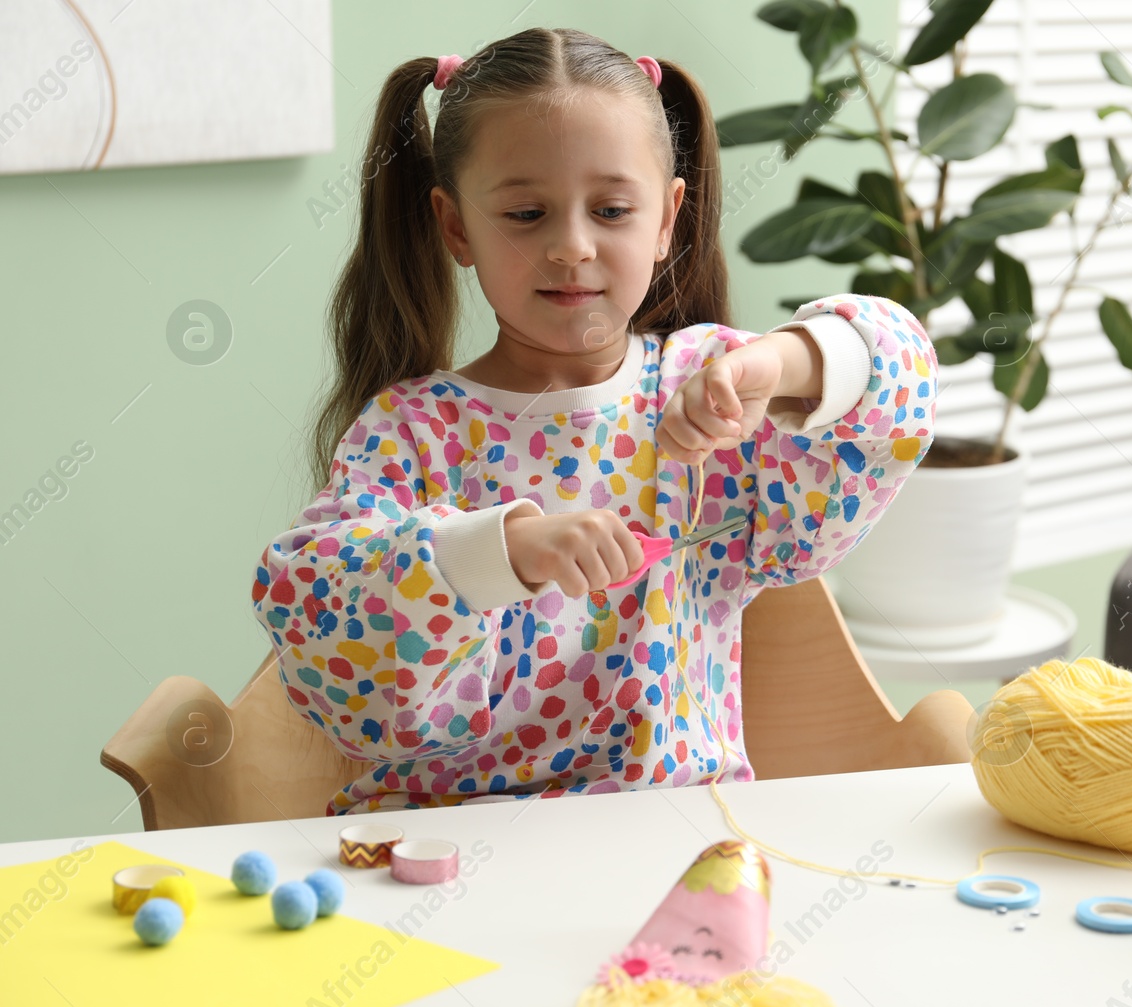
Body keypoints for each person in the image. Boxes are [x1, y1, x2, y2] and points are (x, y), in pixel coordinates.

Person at [248, 27, 937, 816]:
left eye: (612, 210)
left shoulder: (710, 397)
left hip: (670, 844)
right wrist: (502, 550)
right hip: (453, 858)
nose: (572, 247)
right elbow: (324, 626)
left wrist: (784, 366)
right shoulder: (413, 432)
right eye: (527, 212)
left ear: (667, 218)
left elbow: (902, 378)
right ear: (457, 227)